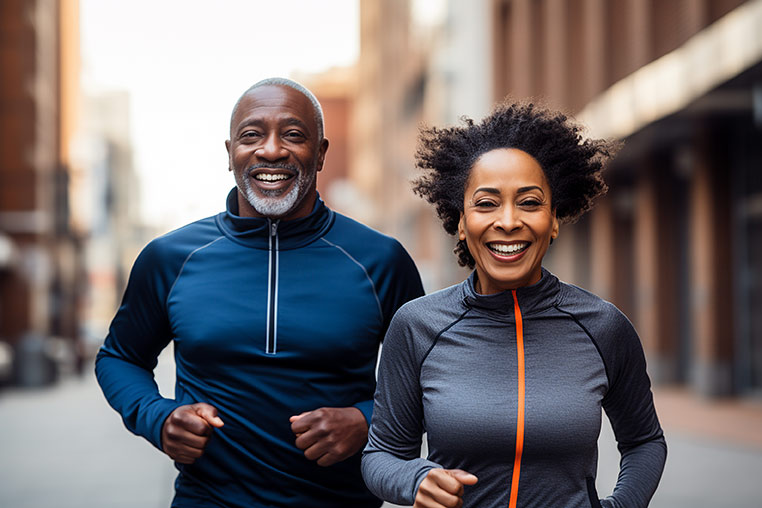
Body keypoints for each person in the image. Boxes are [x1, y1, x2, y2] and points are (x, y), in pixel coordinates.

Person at [95, 77, 424, 508]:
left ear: (320, 153)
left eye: (293, 135)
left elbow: (432, 377)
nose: (271, 150)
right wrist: (158, 417)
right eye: (252, 135)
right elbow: (120, 357)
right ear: (230, 153)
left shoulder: (380, 260)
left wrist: (366, 420)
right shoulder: (170, 258)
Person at [361, 101, 667, 508]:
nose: (508, 221)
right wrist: (415, 479)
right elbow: (380, 455)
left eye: (529, 202)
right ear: (460, 222)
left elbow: (645, 441)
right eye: (486, 203)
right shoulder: (418, 325)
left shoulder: (602, 326)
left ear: (554, 219)